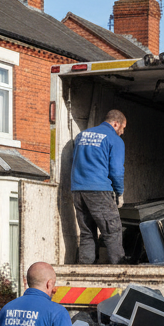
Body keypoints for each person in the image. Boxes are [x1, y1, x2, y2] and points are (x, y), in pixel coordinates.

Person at [70, 109, 127, 265]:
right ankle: (120, 271)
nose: (122, 133)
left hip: (78, 190)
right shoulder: (114, 139)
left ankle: (85, 270)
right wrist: (119, 192)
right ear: (116, 124)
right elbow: (116, 170)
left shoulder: (81, 136)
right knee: (112, 231)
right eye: (122, 128)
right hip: (99, 190)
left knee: (87, 232)